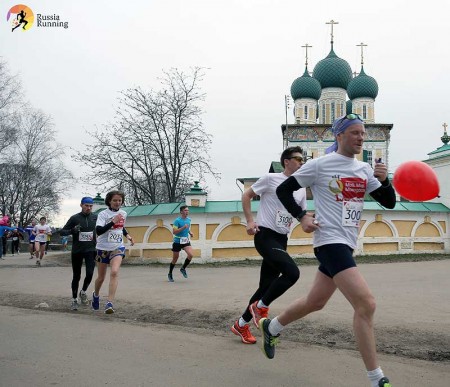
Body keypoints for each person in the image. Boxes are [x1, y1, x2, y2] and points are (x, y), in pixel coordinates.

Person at [259, 114, 396, 387]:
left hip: (346, 243)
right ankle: (376, 378)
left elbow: (389, 202)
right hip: (329, 241)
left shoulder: (364, 170)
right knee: (366, 304)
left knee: (315, 302)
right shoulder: (320, 165)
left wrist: (386, 180)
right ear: (339, 136)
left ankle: (271, 326)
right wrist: (302, 217)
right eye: (355, 133)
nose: (360, 138)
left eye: (363, 133)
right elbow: (285, 189)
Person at [230, 146, 306, 345]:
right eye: (298, 158)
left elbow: (301, 215)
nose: (301, 162)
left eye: (303, 159)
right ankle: (260, 308)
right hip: (265, 236)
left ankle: (240, 324)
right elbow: (246, 195)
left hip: (282, 239)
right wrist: (249, 221)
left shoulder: (301, 189)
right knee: (292, 273)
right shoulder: (270, 179)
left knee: (265, 287)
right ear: (286, 161)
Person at [92, 190, 134, 314]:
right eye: (115, 200)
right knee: (101, 277)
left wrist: (128, 235)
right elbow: (99, 231)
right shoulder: (103, 214)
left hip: (117, 247)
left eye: (119, 200)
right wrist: (112, 221)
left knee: (114, 272)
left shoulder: (123, 213)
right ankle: (96, 295)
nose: (117, 203)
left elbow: (121, 227)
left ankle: (109, 303)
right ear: (109, 201)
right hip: (103, 248)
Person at [60, 197, 98, 311]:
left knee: (90, 274)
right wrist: (72, 231)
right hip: (77, 251)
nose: (89, 208)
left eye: (91, 206)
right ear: (81, 205)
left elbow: (101, 229)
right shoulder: (74, 218)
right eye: (86, 205)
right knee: (77, 276)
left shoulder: (95, 217)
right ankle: (74, 299)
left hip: (91, 250)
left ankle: (83, 291)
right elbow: (62, 232)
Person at [167, 205, 194, 282]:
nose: (187, 212)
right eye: (185, 210)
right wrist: (183, 228)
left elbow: (188, 228)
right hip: (177, 241)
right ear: (181, 212)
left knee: (191, 255)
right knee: (175, 258)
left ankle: (183, 268)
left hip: (185, 240)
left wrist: (190, 232)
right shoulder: (177, 221)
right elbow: (174, 232)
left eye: (188, 210)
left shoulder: (189, 220)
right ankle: (170, 273)